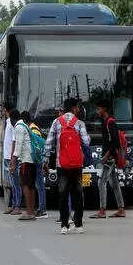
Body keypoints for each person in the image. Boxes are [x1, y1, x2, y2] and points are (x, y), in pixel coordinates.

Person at [43, 98, 90, 234]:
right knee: (77, 193)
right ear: (74, 108)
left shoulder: (57, 122)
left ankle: (64, 225)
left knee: (63, 194)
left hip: (61, 164)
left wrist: (45, 160)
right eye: (78, 107)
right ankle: (79, 225)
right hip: (76, 164)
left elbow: (49, 143)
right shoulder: (79, 123)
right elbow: (86, 142)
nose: (78, 109)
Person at [90, 100, 127, 219]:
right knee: (114, 182)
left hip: (110, 158)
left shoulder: (110, 122)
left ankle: (102, 210)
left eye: (98, 109)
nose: (97, 111)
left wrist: (106, 156)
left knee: (101, 182)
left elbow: (115, 142)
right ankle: (121, 209)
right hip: (110, 156)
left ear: (104, 109)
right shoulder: (105, 121)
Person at [23, 112, 48, 219]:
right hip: (37, 160)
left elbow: (38, 146)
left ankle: (42, 209)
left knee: (40, 186)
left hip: (37, 161)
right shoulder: (31, 128)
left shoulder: (33, 129)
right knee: (37, 185)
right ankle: (41, 208)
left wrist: (39, 161)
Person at [12, 111, 36, 220]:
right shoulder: (26, 126)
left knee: (25, 184)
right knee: (31, 185)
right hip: (32, 159)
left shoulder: (18, 127)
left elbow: (18, 146)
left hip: (25, 160)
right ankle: (32, 212)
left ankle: (29, 212)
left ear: (13, 119)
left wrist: (13, 162)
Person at [1, 103, 22, 215]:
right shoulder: (8, 122)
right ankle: (12, 205)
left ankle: (17, 206)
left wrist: (13, 158)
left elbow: (14, 141)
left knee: (15, 183)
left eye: (3, 110)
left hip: (11, 157)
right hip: (7, 157)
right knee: (11, 183)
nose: (2, 112)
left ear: (5, 110)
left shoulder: (13, 123)